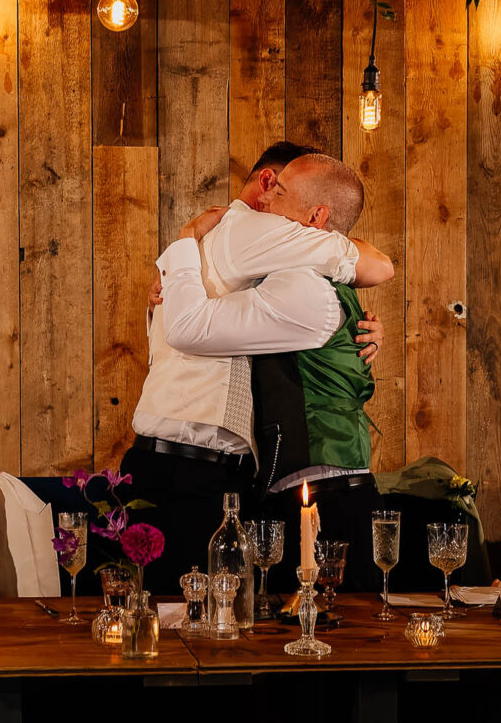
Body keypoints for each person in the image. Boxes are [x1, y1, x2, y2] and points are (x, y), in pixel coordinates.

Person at [123, 144, 391, 594]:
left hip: (197, 468)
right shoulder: (247, 230)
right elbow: (370, 263)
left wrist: (351, 330)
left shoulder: (247, 248)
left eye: (282, 192)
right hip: (190, 473)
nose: (269, 202)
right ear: (266, 180)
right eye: (276, 187)